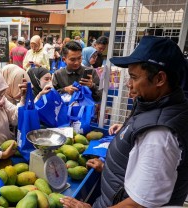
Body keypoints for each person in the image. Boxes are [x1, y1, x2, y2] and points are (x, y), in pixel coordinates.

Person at [61, 36, 188, 208]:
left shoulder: (159, 135)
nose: (129, 84)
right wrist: (109, 168)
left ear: (159, 79)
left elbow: (137, 204)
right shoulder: (154, 108)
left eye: (134, 77)